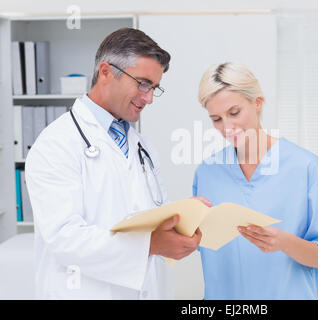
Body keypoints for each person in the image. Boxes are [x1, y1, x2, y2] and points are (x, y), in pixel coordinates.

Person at [25, 28, 208, 299]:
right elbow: (64, 238)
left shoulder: (143, 147)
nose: (148, 98)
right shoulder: (56, 143)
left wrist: (180, 225)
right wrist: (149, 245)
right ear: (106, 72)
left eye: (154, 88)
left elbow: (145, 218)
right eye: (143, 83)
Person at [193, 62, 318, 299]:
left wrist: (283, 242)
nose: (227, 127)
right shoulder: (207, 172)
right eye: (216, 119)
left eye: (234, 112)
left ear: (257, 103)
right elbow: (200, 245)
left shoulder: (304, 166)